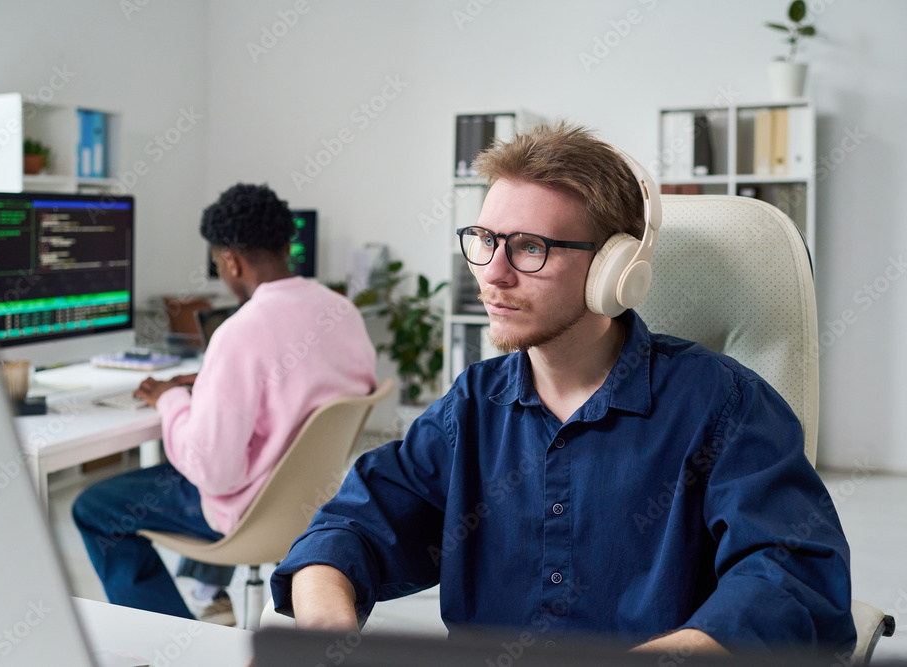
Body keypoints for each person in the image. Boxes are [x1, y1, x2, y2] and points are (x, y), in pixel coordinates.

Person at [269, 123, 856, 654]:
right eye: (485, 239)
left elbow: (790, 575)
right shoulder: (474, 404)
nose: (493, 273)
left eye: (530, 247)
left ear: (614, 270)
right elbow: (348, 530)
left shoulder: (724, 405)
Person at [73, 183, 376, 621]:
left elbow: (212, 470)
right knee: (225, 447)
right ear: (286, 244)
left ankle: (173, 645)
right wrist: (214, 383)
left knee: (95, 507)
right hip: (316, 497)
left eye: (218, 263)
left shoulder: (239, 332)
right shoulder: (341, 311)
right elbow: (309, 384)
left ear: (231, 262)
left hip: (250, 510)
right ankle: (209, 593)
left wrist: (173, 398)